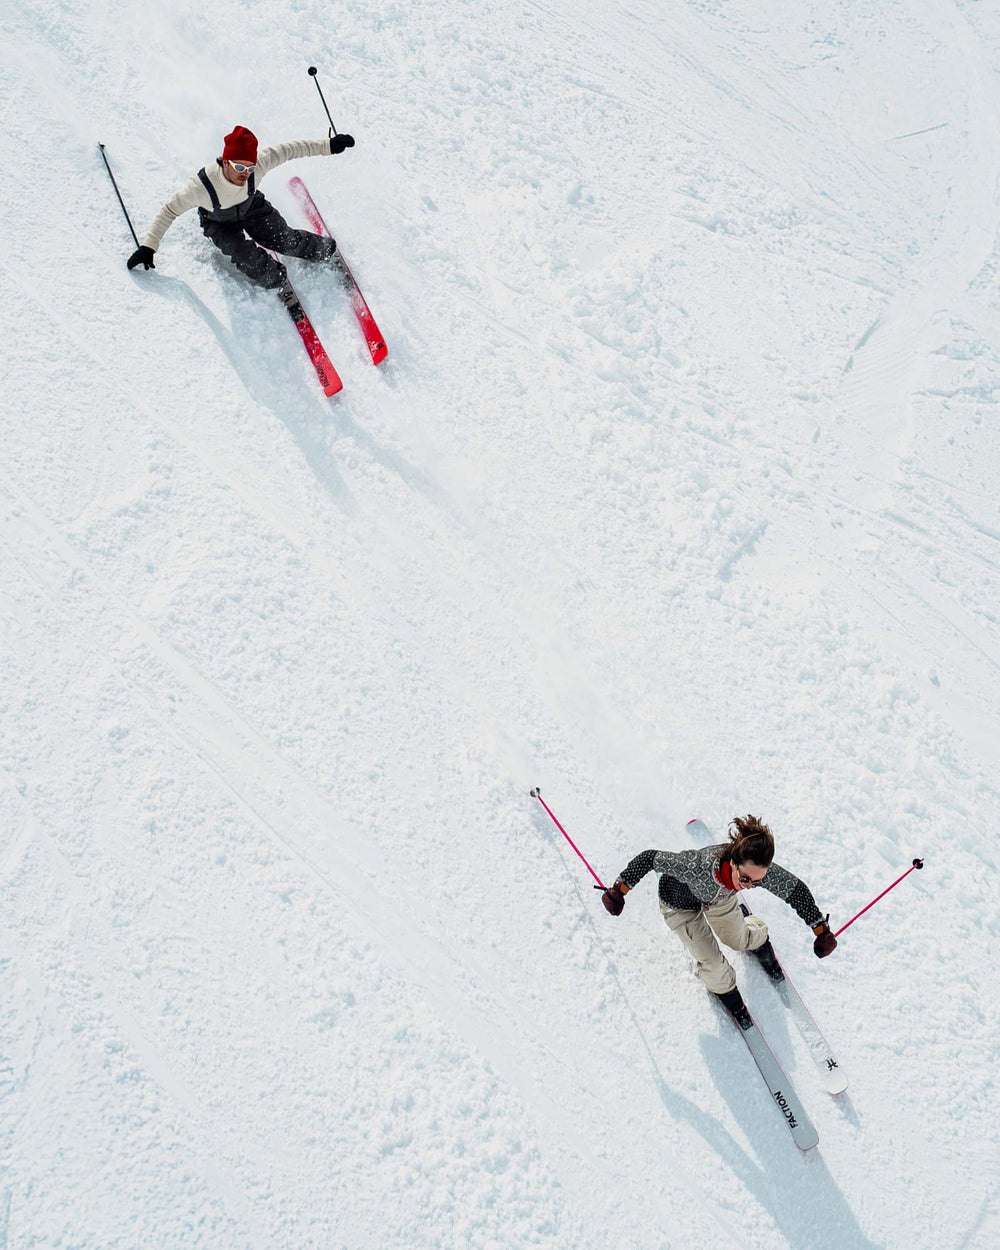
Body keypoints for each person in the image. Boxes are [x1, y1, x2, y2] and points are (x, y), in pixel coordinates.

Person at [601, 815, 836, 1026]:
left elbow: (795, 890)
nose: (749, 886)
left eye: (756, 882)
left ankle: (757, 937)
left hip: (719, 899)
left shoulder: (754, 871)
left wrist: (820, 930)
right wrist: (619, 890)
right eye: (745, 879)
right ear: (733, 862)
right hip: (680, 906)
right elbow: (650, 858)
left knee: (739, 940)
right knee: (714, 966)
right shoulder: (694, 867)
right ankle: (727, 993)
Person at [126, 124, 355, 289]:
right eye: (238, 167)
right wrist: (149, 246)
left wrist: (329, 145)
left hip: (251, 208)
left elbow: (291, 149)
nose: (244, 174)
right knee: (248, 259)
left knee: (285, 240)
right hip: (218, 221)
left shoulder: (258, 164)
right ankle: (276, 278)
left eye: (249, 168)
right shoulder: (201, 187)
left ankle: (325, 250)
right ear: (225, 162)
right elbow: (169, 210)